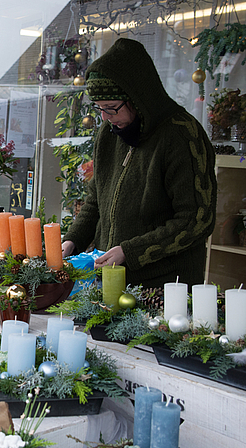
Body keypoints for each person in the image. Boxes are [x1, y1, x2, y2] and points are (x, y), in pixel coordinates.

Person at [61, 38, 217, 288]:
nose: (105, 118)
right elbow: (95, 200)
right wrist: (72, 241)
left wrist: (130, 251)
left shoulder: (182, 135)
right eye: (99, 109)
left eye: (111, 108)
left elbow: (196, 219)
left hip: (165, 287)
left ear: (137, 98)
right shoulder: (109, 133)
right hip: (110, 282)